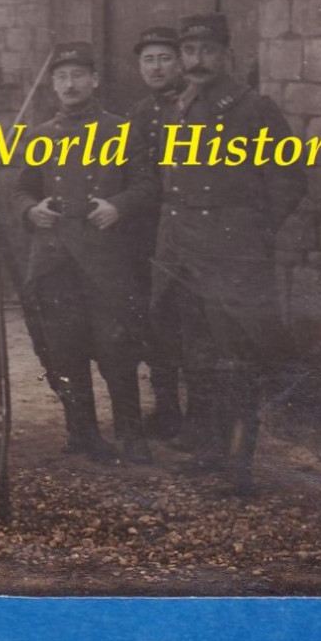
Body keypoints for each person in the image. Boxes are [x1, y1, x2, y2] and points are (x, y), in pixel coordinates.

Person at [151, 13, 306, 494]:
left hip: (231, 255)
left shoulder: (251, 108)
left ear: (226, 55)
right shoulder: (180, 106)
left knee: (237, 361)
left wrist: (253, 233)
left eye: (206, 51)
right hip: (183, 254)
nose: (196, 61)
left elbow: (288, 177)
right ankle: (209, 452)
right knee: (199, 358)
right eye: (189, 52)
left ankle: (239, 469)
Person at [13, 42, 155, 465]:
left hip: (105, 258)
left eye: (78, 76)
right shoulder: (40, 134)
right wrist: (30, 210)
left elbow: (149, 185)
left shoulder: (121, 129)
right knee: (64, 347)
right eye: (61, 77)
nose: (70, 84)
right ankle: (84, 432)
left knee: (117, 346)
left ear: (94, 80)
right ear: (53, 85)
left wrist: (118, 206)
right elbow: (22, 189)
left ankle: (132, 434)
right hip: (56, 258)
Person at [124, 25, 187, 441]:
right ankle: (167, 410)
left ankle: (201, 418)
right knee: (156, 323)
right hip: (148, 234)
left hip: (191, 234)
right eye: (148, 59)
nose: (157, 67)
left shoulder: (194, 106)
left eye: (164, 58)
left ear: (180, 62)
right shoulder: (140, 114)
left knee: (194, 326)